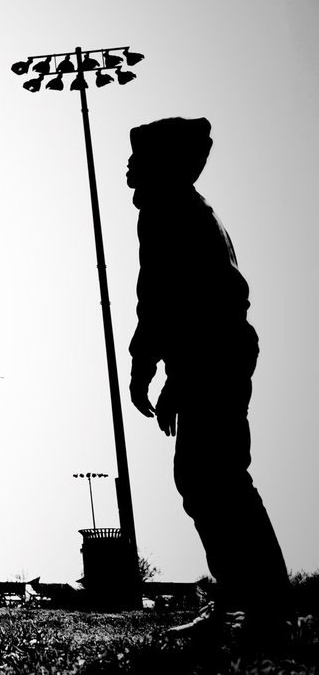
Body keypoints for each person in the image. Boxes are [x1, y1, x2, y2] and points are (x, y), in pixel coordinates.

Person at [126, 117, 291, 643]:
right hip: (209, 355)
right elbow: (162, 301)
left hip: (213, 354)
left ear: (163, 166)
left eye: (138, 159)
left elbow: (189, 302)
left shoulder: (175, 213)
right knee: (208, 479)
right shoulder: (175, 211)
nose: (128, 170)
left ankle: (261, 608)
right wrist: (154, 366)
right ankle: (249, 602)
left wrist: (162, 371)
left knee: (216, 478)